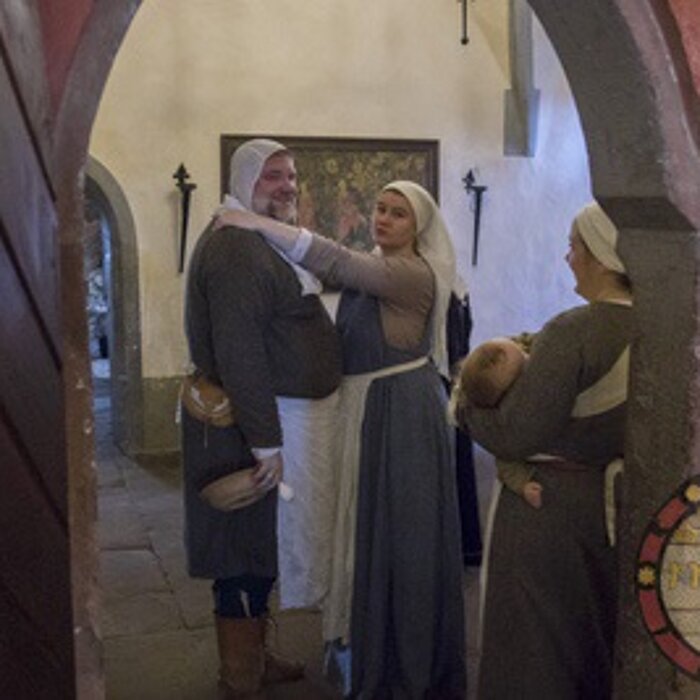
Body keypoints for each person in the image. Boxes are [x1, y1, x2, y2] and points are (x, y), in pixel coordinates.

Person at [215, 180, 467, 699]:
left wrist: (256, 221)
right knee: (366, 528)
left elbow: (333, 259)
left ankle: (406, 661)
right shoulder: (379, 264)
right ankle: (366, 645)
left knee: (402, 536)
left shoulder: (410, 273)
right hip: (370, 408)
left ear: (418, 227)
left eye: (398, 213)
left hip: (400, 413)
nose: (384, 218)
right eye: (381, 208)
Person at [182, 138, 342, 697]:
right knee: (242, 552)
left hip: (257, 422)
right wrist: (267, 443)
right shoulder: (235, 249)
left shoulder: (256, 240)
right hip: (242, 428)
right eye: (273, 176)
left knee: (256, 549)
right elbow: (240, 352)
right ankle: (240, 674)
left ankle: (254, 656)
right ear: (244, 180)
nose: (287, 186)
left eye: (292, 176)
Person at [454, 201, 634, 699]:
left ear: (599, 255)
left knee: (534, 648)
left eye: (574, 247)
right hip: (602, 504)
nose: (568, 258)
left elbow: (516, 433)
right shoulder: (654, 324)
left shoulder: (572, 331)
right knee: (589, 639)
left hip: (544, 510)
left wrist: (464, 405)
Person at [453, 337, 544, 508]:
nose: (529, 359)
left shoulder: (517, 351)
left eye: (523, 352)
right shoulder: (505, 435)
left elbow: (527, 341)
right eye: (524, 366)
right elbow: (506, 464)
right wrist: (523, 486)